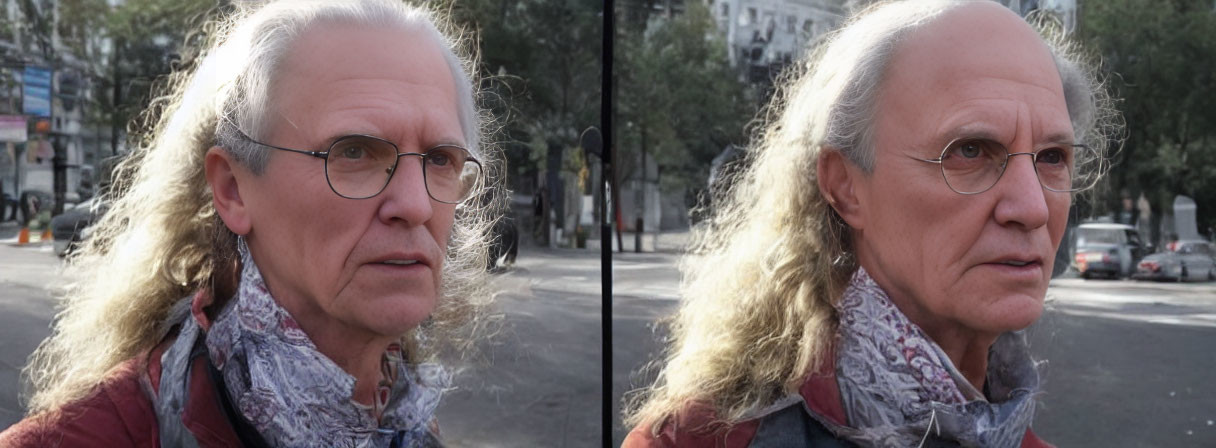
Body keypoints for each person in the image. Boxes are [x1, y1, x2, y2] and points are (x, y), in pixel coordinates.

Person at [1, 0, 500, 446]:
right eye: (354, 152)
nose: (415, 204)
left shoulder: (403, 420)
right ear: (233, 190)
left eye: (440, 159)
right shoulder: (91, 436)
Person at [624, 1, 1120, 446]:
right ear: (845, 186)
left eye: (1053, 156)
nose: (1033, 207)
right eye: (969, 151)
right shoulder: (701, 440)